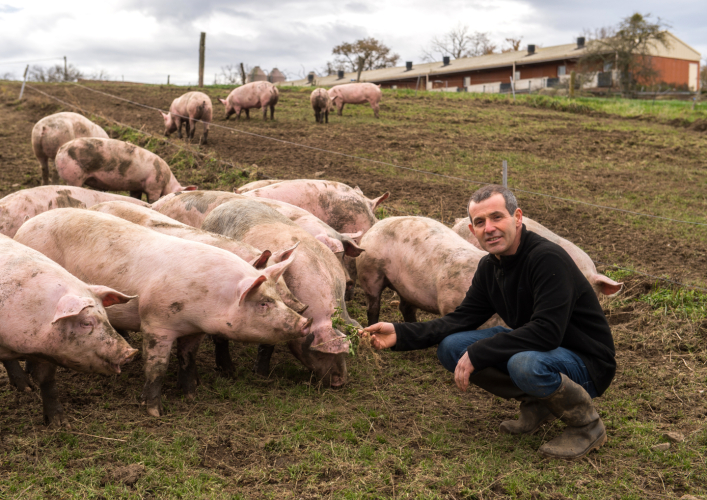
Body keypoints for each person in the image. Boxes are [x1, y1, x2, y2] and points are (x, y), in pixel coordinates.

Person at [362, 185, 615, 460]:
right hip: (542, 350)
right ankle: (539, 402)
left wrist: (480, 352)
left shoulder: (546, 259)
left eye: (497, 217)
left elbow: (547, 332)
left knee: (524, 363)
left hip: (586, 362)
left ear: (517, 218)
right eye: (480, 222)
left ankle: (587, 425)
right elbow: (460, 319)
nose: (489, 228)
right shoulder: (490, 267)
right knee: (452, 346)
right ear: (472, 231)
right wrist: (400, 333)